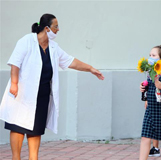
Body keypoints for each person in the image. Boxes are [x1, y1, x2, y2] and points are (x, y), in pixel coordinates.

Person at [0, 13, 104, 160]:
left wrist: (91, 68)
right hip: (22, 94)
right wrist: (15, 84)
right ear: (47, 28)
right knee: (18, 126)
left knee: (35, 130)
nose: (58, 30)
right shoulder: (27, 41)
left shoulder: (53, 47)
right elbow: (15, 63)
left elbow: (70, 61)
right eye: (56, 26)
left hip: (42, 96)